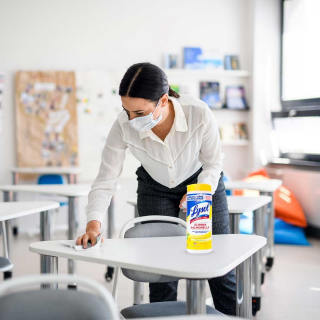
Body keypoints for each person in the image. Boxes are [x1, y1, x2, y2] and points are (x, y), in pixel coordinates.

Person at [76, 62, 236, 315]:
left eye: (139, 113)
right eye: (126, 111)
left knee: (218, 265)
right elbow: (106, 178)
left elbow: (213, 162)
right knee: (160, 269)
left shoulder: (199, 113)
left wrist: (201, 190)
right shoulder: (122, 126)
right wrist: (93, 224)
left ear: (163, 100)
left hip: (202, 183)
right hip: (154, 187)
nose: (131, 119)